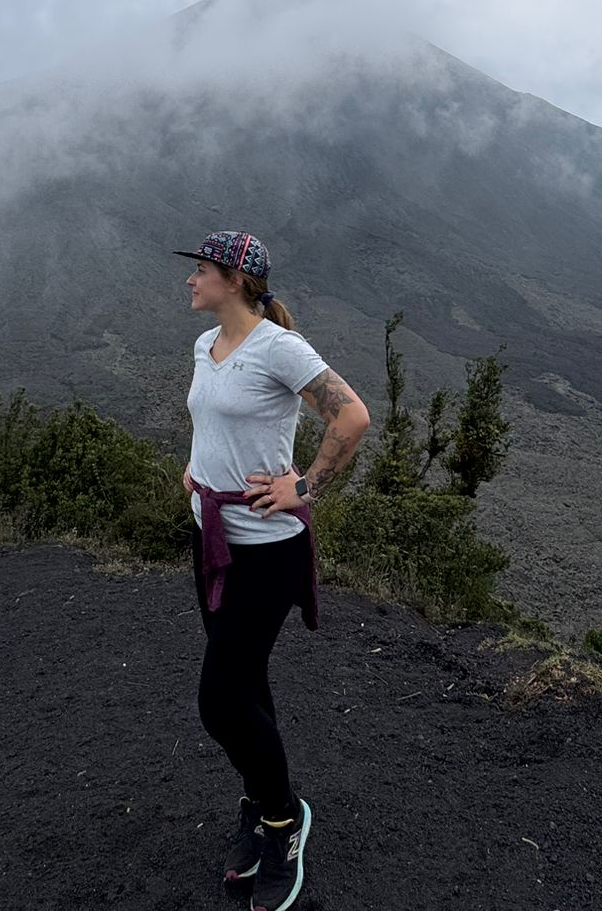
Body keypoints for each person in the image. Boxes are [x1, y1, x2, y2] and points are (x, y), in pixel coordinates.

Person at [174, 229, 371, 911]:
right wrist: (197, 472)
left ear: (233, 279)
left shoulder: (279, 349)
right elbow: (214, 424)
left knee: (219, 702)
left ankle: (286, 821)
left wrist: (306, 486)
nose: (190, 280)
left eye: (200, 270)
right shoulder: (207, 345)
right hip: (213, 539)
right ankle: (259, 802)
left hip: (267, 551)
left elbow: (352, 415)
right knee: (245, 684)